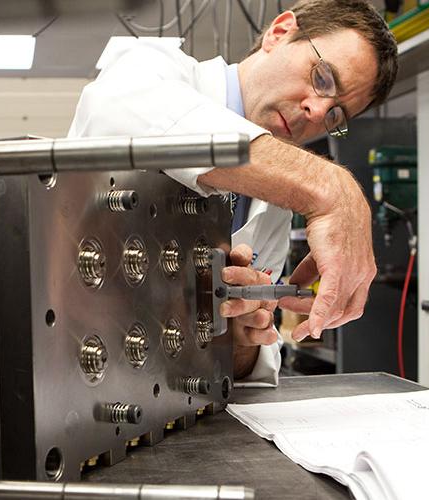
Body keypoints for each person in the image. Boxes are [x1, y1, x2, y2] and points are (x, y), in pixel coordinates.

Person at [68, 0, 398, 382]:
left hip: (175, 406)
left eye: (336, 114)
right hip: (85, 374)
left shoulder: (275, 202)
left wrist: (243, 337)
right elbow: (121, 112)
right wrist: (330, 185)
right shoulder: (151, 67)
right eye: (322, 78)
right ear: (280, 32)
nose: (317, 112)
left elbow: (248, 364)